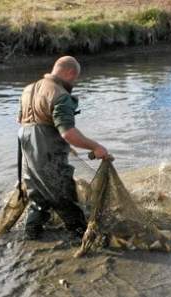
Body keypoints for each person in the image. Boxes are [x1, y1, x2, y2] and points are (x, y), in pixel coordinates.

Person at [17, 56, 111, 240]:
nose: (74, 82)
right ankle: (80, 236)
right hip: (47, 152)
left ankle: (31, 237)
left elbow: (20, 120)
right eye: (74, 78)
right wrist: (96, 146)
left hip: (27, 150)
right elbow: (68, 133)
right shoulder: (60, 94)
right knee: (64, 195)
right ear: (69, 73)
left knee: (38, 195)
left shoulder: (27, 89)